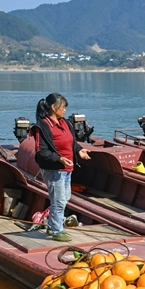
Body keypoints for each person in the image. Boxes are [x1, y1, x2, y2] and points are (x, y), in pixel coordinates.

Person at [30, 93, 90, 242]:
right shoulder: (42, 126)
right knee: (58, 201)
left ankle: (52, 225)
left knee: (65, 198)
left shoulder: (65, 123)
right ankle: (57, 231)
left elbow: (71, 141)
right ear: (53, 107)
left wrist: (79, 150)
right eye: (62, 107)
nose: (64, 110)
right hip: (54, 170)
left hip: (67, 169)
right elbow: (41, 151)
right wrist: (59, 159)